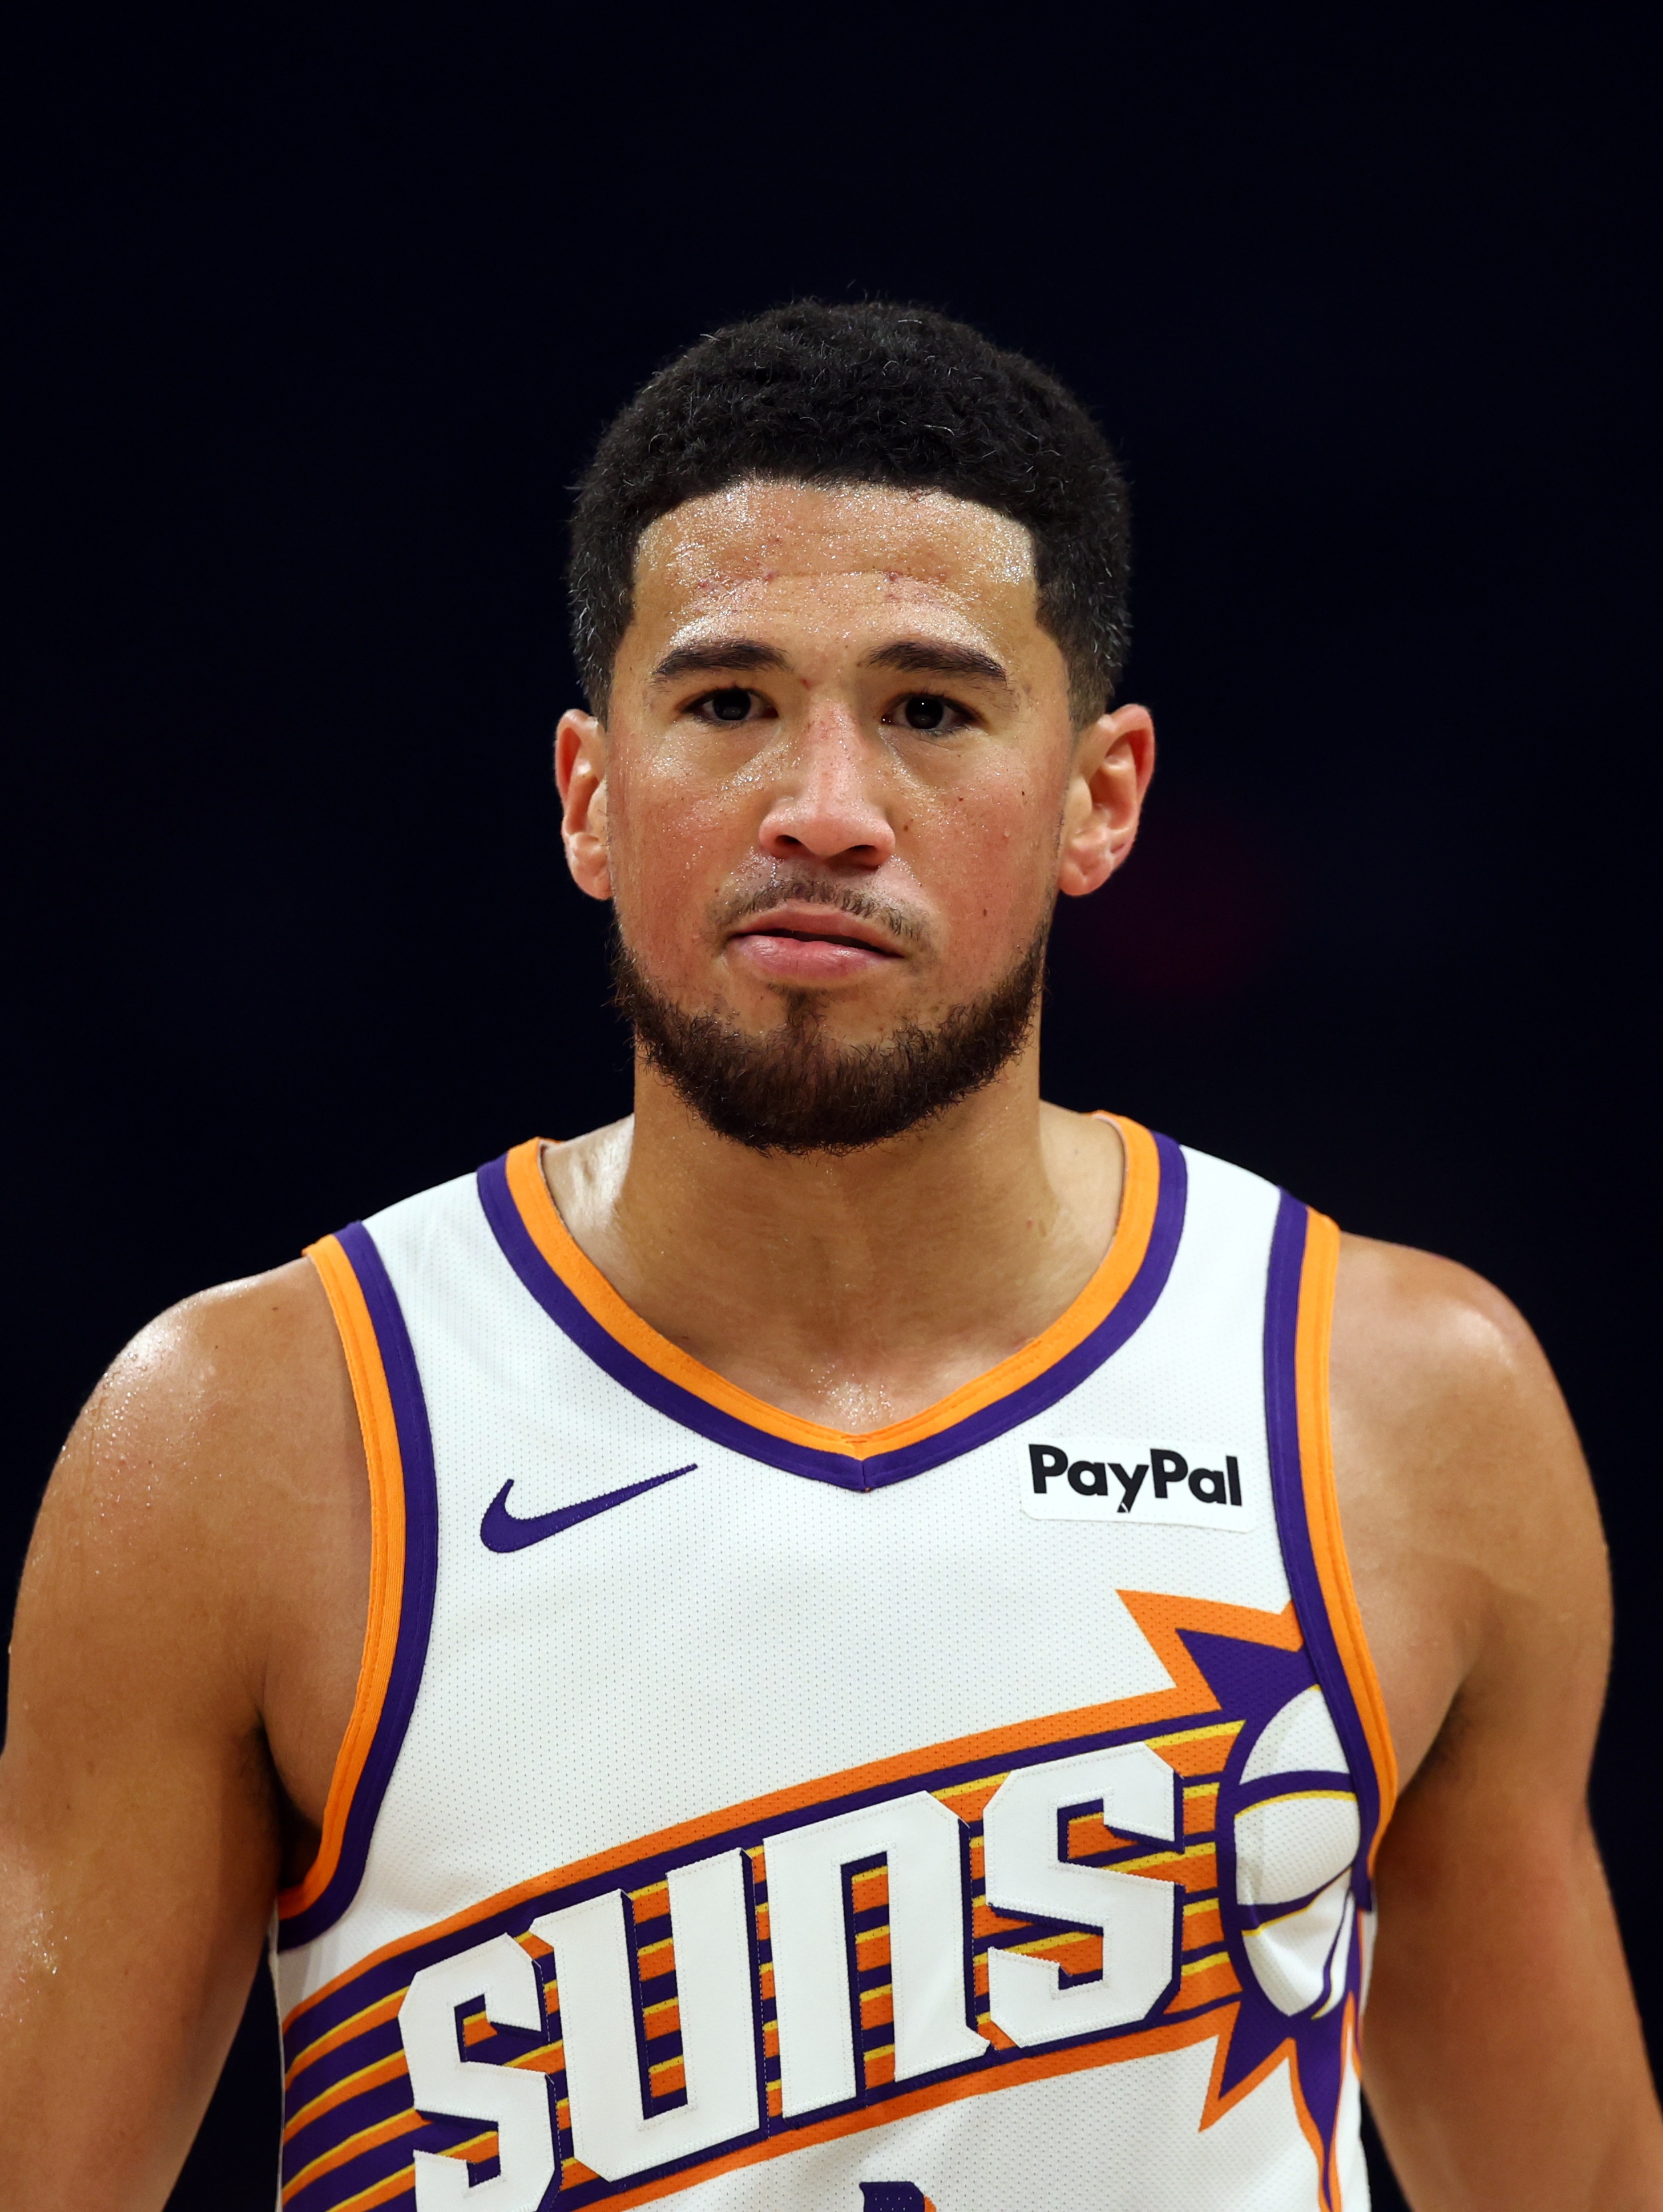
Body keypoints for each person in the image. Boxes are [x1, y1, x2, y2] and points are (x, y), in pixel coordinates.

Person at [1, 302, 1656, 2212]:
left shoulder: (1401, 1408)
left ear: (1102, 798)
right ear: (589, 795)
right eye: (727, 704)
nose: (823, 811)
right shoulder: (245, 1441)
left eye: (931, 711)